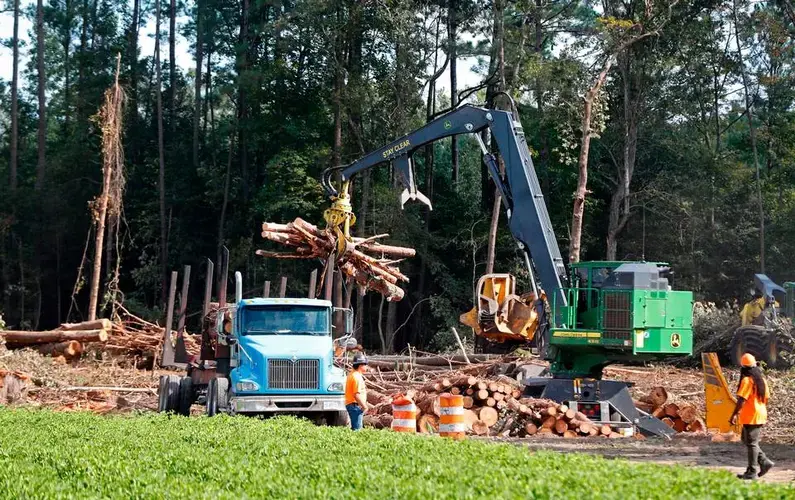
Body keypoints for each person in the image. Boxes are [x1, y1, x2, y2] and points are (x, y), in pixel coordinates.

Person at [729, 353, 774, 480]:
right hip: (760, 413)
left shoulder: (747, 380)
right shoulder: (762, 380)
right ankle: (764, 462)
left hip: (751, 415)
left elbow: (741, 400)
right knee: (746, 439)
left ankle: (752, 471)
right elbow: (767, 398)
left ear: (743, 367)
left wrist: (734, 414)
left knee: (752, 443)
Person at [345, 353, 370, 430]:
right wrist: (364, 406)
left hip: (353, 405)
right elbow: (356, 394)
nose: (366, 366)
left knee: (355, 428)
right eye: (365, 364)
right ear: (360, 365)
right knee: (357, 430)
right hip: (355, 405)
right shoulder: (357, 377)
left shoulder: (352, 374)